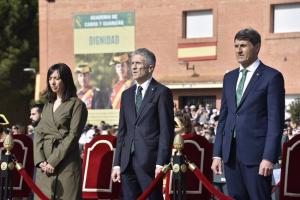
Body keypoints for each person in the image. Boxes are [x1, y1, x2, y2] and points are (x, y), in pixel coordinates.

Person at [211, 28, 285, 200]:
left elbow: (276, 122)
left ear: (257, 47)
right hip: (230, 156)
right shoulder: (229, 78)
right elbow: (224, 119)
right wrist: (217, 154)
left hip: (257, 158)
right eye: (236, 46)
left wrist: (269, 157)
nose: (238, 50)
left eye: (243, 45)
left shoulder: (271, 77)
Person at [111, 48, 175, 200]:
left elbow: (166, 131)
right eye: (132, 63)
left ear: (150, 67)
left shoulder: (161, 92)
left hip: (150, 163)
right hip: (127, 163)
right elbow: (122, 131)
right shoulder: (126, 95)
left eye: (138, 63)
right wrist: (117, 163)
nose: (133, 67)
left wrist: (162, 162)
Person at [34, 63, 88, 199]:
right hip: (44, 166)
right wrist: (41, 161)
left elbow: (73, 136)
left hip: (66, 163)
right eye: (50, 78)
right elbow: (39, 133)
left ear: (66, 79)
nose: (52, 82)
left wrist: (53, 161)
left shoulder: (77, 105)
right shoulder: (47, 106)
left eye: (57, 78)